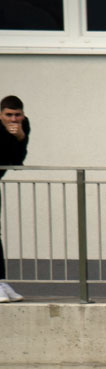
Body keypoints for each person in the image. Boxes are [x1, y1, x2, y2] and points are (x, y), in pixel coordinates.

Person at [0, 94, 28, 304]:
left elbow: (17, 161)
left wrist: (19, 137)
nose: (13, 119)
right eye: (8, 115)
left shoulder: (22, 126)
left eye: (17, 115)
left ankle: (1, 281)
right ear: (0, 115)